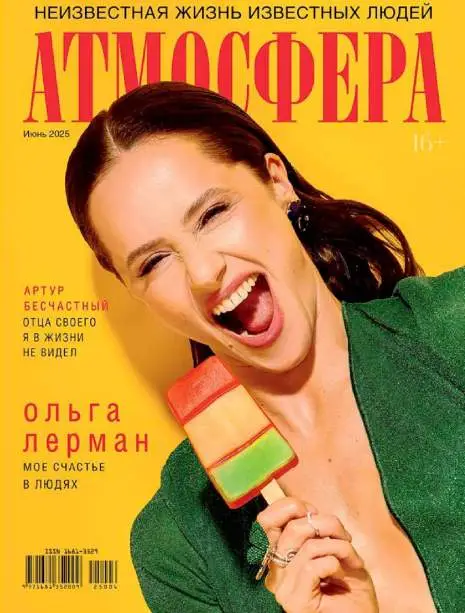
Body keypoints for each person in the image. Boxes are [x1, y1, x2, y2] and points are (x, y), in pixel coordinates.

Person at [65, 81, 464, 613]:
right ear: (135, 291)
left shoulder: (452, 329)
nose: (203, 272)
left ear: (277, 182)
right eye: (155, 261)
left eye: (212, 214)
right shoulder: (178, 545)